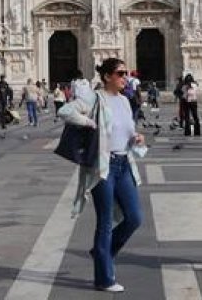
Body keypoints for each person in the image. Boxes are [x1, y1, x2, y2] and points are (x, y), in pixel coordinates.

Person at [58, 58, 146, 293]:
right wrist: (89, 122)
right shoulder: (94, 97)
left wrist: (136, 138)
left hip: (123, 163)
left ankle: (102, 253)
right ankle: (104, 278)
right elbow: (65, 110)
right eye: (120, 73)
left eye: (126, 73)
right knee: (105, 222)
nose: (125, 77)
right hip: (102, 167)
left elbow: (127, 131)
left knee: (134, 217)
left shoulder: (126, 102)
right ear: (107, 76)